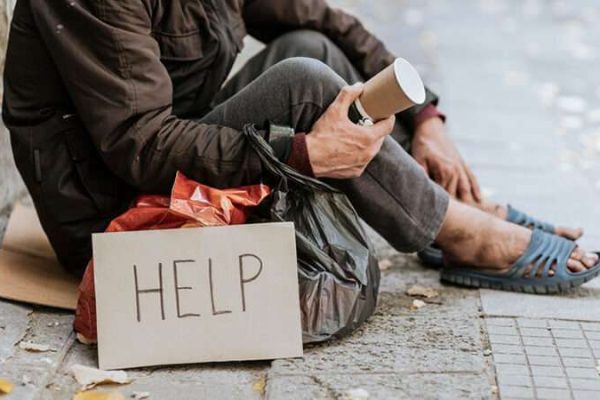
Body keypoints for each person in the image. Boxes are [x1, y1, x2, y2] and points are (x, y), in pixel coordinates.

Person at [3, 0, 598, 292]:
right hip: (118, 218)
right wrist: (302, 155)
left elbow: (328, 22)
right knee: (304, 83)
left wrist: (427, 116)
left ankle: (452, 207)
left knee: (312, 47)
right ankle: (463, 234)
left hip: (185, 165)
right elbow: (140, 145)